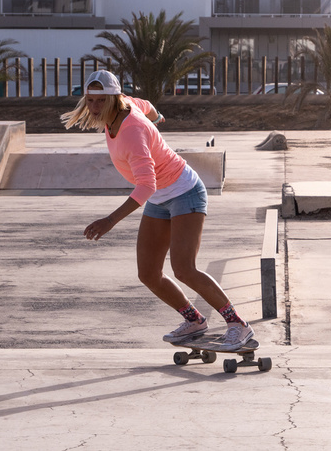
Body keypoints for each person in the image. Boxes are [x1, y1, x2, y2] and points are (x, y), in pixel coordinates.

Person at [61, 70, 254, 350]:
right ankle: (194, 320)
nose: (94, 107)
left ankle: (238, 324)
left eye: (101, 101)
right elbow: (147, 105)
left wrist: (110, 221)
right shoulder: (127, 104)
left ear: (114, 99)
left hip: (184, 191)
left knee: (184, 268)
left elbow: (146, 186)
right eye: (90, 100)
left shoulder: (132, 132)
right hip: (160, 198)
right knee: (148, 273)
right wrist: (157, 118)